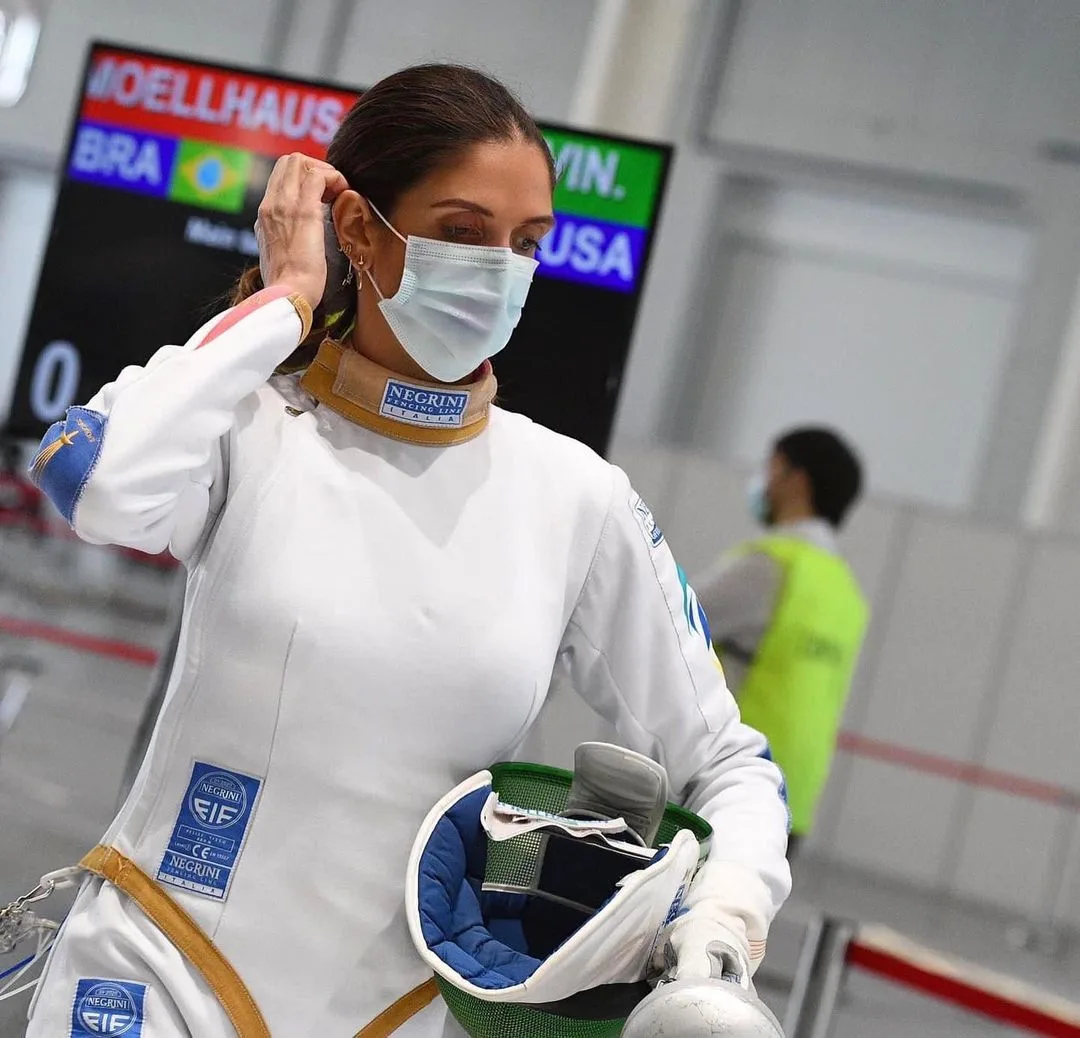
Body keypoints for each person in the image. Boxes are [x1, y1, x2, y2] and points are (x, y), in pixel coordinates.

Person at [24, 64, 790, 1037]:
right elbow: (101, 487)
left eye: (526, 244)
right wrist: (287, 301)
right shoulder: (253, 424)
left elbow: (728, 763)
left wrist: (716, 927)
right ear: (359, 229)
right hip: (156, 978)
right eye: (463, 233)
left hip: (397, 1012)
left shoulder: (575, 499)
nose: (499, 269)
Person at [694, 428, 869, 862]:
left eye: (771, 468)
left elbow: (669, 619)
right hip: (793, 804)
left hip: (730, 792)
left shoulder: (770, 566)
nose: (763, 482)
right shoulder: (844, 591)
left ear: (797, 480)